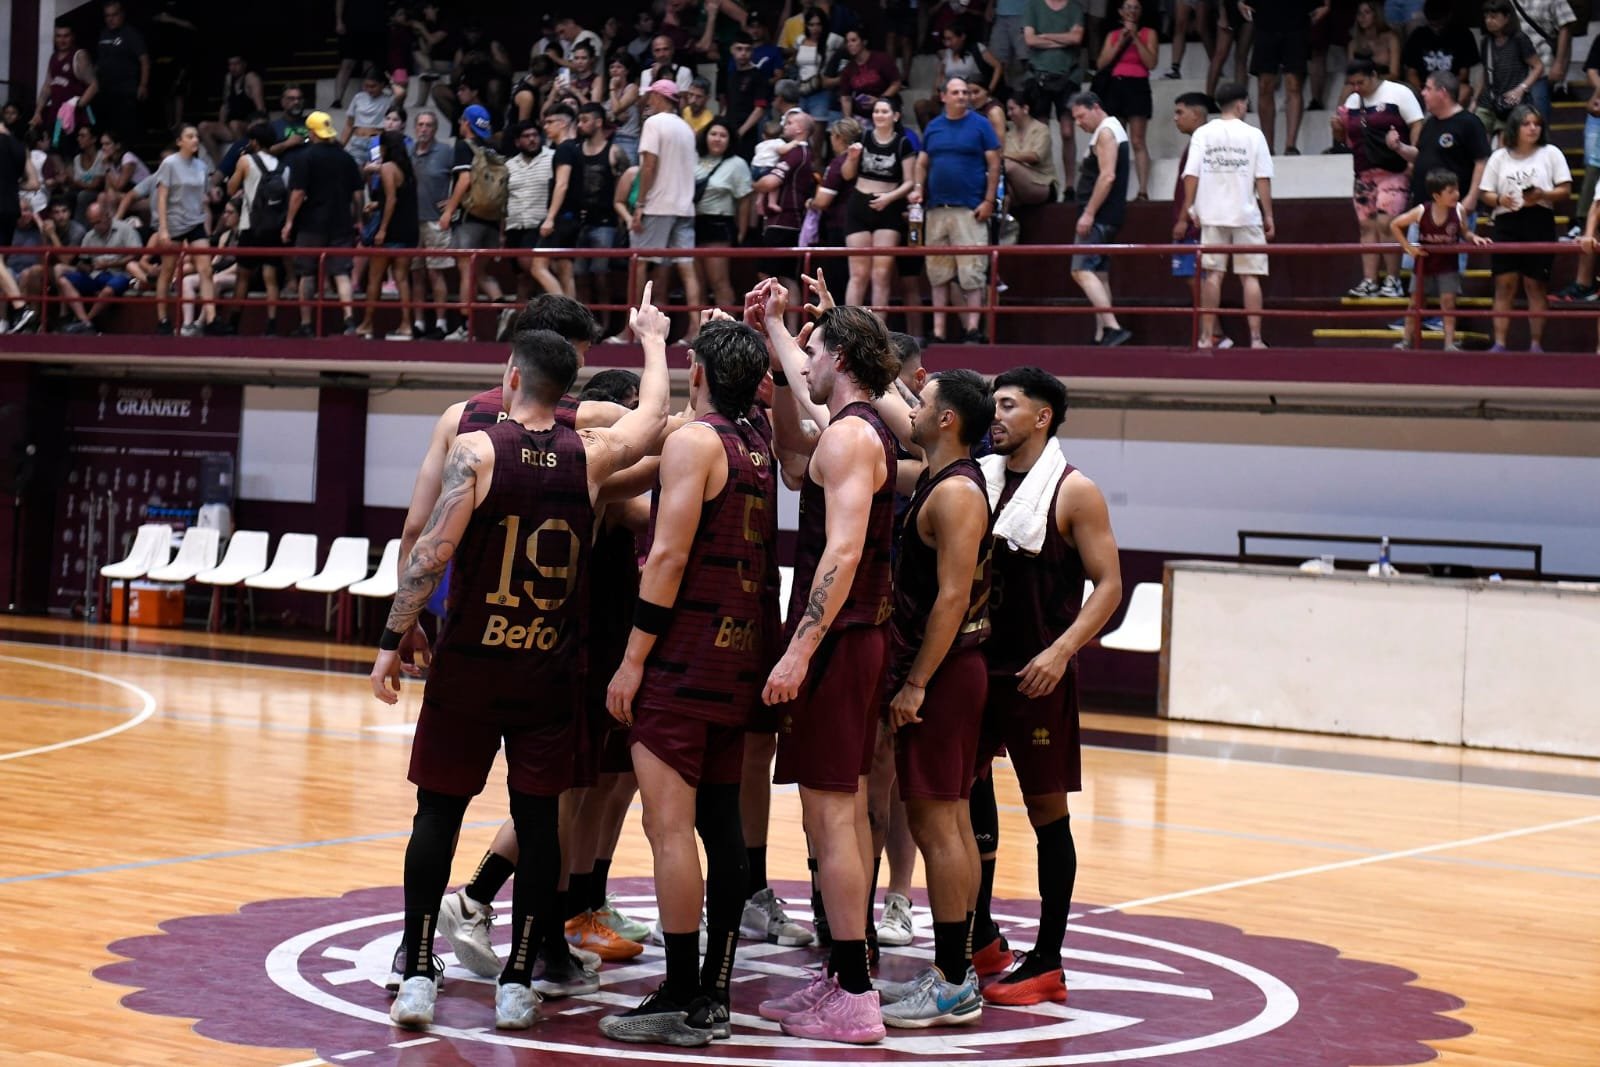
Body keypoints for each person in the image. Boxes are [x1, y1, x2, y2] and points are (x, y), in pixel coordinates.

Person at [373, 288, 670, 1033]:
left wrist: (390, 640)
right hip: (548, 664)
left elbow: (424, 543)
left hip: (471, 659)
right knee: (541, 822)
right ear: (568, 382)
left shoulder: (469, 440)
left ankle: (415, 971)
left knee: (436, 814)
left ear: (510, 373)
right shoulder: (591, 449)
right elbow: (653, 423)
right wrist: (656, 341)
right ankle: (518, 977)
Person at [599, 318, 775, 1047]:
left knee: (668, 828)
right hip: (736, 655)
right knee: (721, 827)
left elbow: (667, 555)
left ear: (697, 372)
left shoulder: (695, 442)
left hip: (682, 657)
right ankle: (716, 991)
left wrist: (633, 658)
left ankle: (679, 992)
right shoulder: (755, 443)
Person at [758, 292, 901, 1046]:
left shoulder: (849, 440)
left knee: (834, 815)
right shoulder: (856, 426)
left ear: (840, 359)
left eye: (814, 351)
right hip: (850, 639)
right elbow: (804, 388)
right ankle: (847, 969)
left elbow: (841, 554)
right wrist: (778, 328)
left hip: (840, 641)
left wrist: (799, 648)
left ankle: (854, 991)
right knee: (830, 815)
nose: (804, 364)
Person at [968, 366, 1120, 1007]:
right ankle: (981, 934)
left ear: (1043, 417)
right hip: (976, 667)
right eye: (992, 405)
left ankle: (1050, 960)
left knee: (1045, 814)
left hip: (1037, 674)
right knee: (966, 800)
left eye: (1007, 405)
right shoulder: (978, 477)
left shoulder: (1074, 490)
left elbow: (1108, 585)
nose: (994, 415)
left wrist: (1061, 652)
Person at [868, 369, 993, 1028]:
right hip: (948, 671)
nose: (912, 406)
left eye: (924, 401)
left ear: (947, 420)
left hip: (943, 674)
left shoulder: (955, 495)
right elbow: (895, 404)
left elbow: (951, 597)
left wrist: (916, 680)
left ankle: (951, 981)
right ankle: (957, 966)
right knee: (949, 819)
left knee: (936, 823)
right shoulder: (941, 477)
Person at [1175, 81, 1275, 349]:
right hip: (1246, 215)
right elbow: (1262, 178)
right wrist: (1269, 215)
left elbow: (1191, 175)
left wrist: (1190, 208)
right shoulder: (1254, 135)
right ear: (1242, 103)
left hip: (1212, 215)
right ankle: (1255, 339)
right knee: (1250, 277)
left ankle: (1207, 337)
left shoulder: (1203, 134)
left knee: (1213, 275)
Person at [913, 77, 1000, 344]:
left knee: (972, 272)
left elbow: (995, 164)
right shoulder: (934, 127)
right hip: (937, 208)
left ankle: (973, 329)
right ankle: (939, 331)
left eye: (965, 92)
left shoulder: (981, 125)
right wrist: (918, 189)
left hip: (970, 208)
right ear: (944, 97)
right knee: (938, 273)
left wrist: (988, 200)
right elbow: (923, 162)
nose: (962, 96)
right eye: (956, 92)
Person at [1480, 103, 1570, 352]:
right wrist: (1500, 200)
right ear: (1514, 127)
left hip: (1539, 220)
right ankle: (1499, 342)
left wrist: (1543, 194)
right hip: (1507, 220)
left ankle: (1536, 343)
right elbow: (1485, 192)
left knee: (1535, 284)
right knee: (1504, 283)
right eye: (1527, 124)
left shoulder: (1550, 152)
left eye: (1537, 124)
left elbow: (1565, 189)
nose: (1533, 129)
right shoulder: (1499, 156)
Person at [1335, 57, 1423, 299]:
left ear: (1374, 75)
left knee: (1387, 223)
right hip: (1363, 170)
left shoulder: (1398, 93)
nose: (1356, 88)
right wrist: (1338, 127)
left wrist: (1412, 158)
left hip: (1394, 169)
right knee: (1366, 225)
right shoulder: (1352, 101)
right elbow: (1346, 138)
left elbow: (1417, 124)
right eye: (1352, 83)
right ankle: (1369, 280)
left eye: (1360, 82)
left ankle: (1392, 279)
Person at [1387, 71, 1490, 274]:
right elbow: (1419, 155)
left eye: (1427, 88)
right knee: (1418, 268)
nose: (1423, 93)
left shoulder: (1469, 123)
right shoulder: (1430, 123)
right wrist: (1399, 147)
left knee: (1449, 273)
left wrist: (1471, 198)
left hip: (1454, 208)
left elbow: (1482, 161)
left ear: (1442, 92)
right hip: (1424, 209)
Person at [282, 110, 364, 337]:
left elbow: (298, 193)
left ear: (311, 132)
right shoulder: (346, 157)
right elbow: (358, 194)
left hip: (311, 224)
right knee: (341, 273)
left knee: (306, 273)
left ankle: (306, 325)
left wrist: (289, 222)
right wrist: (358, 220)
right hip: (341, 222)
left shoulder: (304, 157)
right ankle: (349, 322)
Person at [631, 80, 703, 334]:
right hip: (684, 207)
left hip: (658, 205)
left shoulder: (653, 123)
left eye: (650, 95)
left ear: (658, 96)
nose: (648, 100)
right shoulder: (685, 127)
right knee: (686, 268)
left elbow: (649, 166)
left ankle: (634, 330)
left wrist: (639, 204)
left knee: (639, 263)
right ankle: (694, 329)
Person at [1391, 169, 1491, 350]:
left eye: (1457, 190)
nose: (1457, 195)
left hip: (1448, 264)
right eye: (1451, 191)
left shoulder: (1459, 210)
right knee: (1415, 302)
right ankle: (1406, 341)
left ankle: (1449, 344)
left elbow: (1465, 232)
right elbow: (1395, 224)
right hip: (1425, 264)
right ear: (1437, 196)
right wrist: (1408, 247)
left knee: (1448, 303)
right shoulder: (1422, 210)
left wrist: (1473, 237)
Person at [438, 104, 508, 341]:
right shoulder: (493, 149)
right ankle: (503, 310)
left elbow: (465, 179)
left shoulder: (463, 145)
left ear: (467, 123)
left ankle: (465, 328)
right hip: (492, 219)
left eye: (461, 120)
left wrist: (448, 211)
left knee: (466, 272)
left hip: (469, 220)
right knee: (480, 272)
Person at [1068, 92, 1133, 347]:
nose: (1078, 123)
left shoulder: (1106, 132)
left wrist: (1089, 212)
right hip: (1106, 215)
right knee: (1099, 273)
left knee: (1081, 269)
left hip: (1100, 215)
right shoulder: (1109, 130)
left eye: (1081, 116)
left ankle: (1112, 327)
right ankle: (1102, 334)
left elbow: (1107, 177)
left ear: (1096, 108)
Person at [842, 97, 916, 309]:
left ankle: (878, 333)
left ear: (896, 116)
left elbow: (910, 181)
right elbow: (847, 175)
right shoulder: (863, 137)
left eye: (884, 111)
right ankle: (850, 329)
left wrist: (889, 198)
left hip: (889, 206)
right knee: (858, 273)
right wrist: (852, 157)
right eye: (876, 111)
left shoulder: (903, 143)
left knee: (881, 274)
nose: (879, 115)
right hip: (859, 204)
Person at [152, 123, 219, 336]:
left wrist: (213, 194)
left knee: (206, 269)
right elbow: (162, 196)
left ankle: (211, 318)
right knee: (168, 270)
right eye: (190, 136)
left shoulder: (201, 166)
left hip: (195, 221)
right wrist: (163, 228)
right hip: (173, 222)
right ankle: (162, 318)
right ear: (180, 141)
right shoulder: (169, 164)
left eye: (197, 136)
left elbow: (203, 194)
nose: (195, 140)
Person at [1239, 0, 1327, 156]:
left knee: (1294, 83)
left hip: (1296, 21)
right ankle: (1267, 146)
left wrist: (1326, 3)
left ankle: (1290, 145)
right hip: (1265, 20)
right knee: (1264, 85)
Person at [356, 129, 418, 339]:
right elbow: (400, 198)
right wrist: (377, 204)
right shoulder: (407, 168)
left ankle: (367, 323)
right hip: (408, 230)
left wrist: (382, 229)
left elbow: (391, 199)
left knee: (374, 279)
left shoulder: (387, 168)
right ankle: (406, 325)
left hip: (390, 231)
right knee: (402, 279)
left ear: (383, 147)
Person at [226, 122, 286, 333]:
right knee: (271, 278)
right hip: (273, 228)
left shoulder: (246, 160)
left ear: (254, 142)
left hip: (250, 225)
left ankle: (234, 322)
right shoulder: (281, 165)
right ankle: (271, 325)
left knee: (243, 275)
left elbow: (231, 189)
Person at [1023, 0, 1086, 193]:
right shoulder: (1033, 6)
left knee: (1067, 131)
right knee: (1041, 132)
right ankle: (1044, 181)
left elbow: (1076, 38)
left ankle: (1069, 185)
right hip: (1039, 74)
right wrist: (1063, 39)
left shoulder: (1074, 9)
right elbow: (1030, 40)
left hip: (1067, 75)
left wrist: (1046, 37)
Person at [1096, 0, 1156, 200]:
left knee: (1138, 140)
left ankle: (1143, 190)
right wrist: (1121, 40)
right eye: (1128, 7)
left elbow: (1151, 62)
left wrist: (1136, 38)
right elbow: (1101, 63)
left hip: (1137, 86)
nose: (1131, 11)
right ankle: (1113, 189)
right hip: (1116, 86)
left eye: (1136, 7)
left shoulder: (1149, 33)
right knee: (1117, 140)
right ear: (1120, 12)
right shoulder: (1113, 35)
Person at [694, 119, 755, 310]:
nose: (717, 139)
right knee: (698, 284)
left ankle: (729, 334)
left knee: (719, 281)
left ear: (730, 140)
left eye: (723, 135)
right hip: (692, 224)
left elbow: (745, 200)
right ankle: (698, 332)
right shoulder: (694, 159)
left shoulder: (737, 164)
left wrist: (741, 232)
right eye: (713, 134)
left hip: (719, 225)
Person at [56, 200, 139, 333]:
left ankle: (86, 322)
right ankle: (85, 322)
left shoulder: (125, 229)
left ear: (107, 216)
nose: (96, 226)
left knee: (108, 290)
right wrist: (85, 267)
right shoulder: (89, 236)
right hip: (95, 276)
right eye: (92, 223)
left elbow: (136, 255)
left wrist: (110, 264)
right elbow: (82, 261)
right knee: (63, 280)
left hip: (120, 274)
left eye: (98, 222)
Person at [408, 111, 453, 339]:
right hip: (410, 222)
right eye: (420, 124)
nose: (424, 129)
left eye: (428, 125)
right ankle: (417, 323)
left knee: (435, 273)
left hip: (436, 220)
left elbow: (466, 178)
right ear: (415, 128)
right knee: (416, 274)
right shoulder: (408, 152)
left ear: (435, 129)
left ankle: (441, 324)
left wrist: (454, 201)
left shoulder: (446, 152)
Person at [1475, 0, 1542, 145]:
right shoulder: (1486, 41)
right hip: (1488, 100)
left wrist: (1521, 89)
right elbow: (1485, 72)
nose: (1489, 21)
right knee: (1479, 142)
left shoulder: (1519, 39)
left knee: (1504, 145)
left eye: (1493, 17)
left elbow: (1538, 66)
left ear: (1506, 17)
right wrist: (1475, 99)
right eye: (1486, 17)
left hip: (1510, 101)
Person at [536, 106, 582, 300]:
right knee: (565, 270)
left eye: (549, 122)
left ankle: (564, 314)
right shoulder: (576, 148)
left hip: (561, 218)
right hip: (572, 218)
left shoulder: (563, 149)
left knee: (537, 266)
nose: (545, 127)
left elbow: (562, 184)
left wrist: (550, 218)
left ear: (562, 123)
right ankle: (574, 324)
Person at [1507, 0, 1577, 121]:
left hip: (1541, 64)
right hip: (1512, 66)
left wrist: (1559, 63)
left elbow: (1565, 28)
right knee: (1513, 119)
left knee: (1538, 116)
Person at [1402, 0, 1480, 104]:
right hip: (1424, 87)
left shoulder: (1463, 35)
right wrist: (1424, 90)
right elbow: (1411, 73)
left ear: (1448, 16)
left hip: (1452, 87)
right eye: (1432, 25)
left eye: (1440, 24)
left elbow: (1463, 74)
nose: (1437, 29)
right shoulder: (1418, 36)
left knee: (1465, 90)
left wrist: (1443, 90)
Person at [34, 23, 99, 147]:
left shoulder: (79, 56)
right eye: (58, 36)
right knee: (54, 154)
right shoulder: (53, 57)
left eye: (66, 36)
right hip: (55, 116)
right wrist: (38, 111)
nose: (62, 40)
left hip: (73, 119)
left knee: (70, 157)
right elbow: (47, 86)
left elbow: (94, 85)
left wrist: (78, 105)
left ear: (72, 37)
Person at [94, 1, 148, 142]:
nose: (111, 19)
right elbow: (99, 62)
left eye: (114, 15)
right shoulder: (103, 34)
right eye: (107, 16)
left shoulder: (131, 34)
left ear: (122, 15)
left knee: (125, 132)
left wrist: (143, 85)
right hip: (106, 91)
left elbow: (144, 60)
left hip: (126, 92)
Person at [200, 56, 266, 165]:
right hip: (231, 125)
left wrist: (258, 126)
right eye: (230, 65)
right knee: (203, 126)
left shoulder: (251, 78)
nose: (233, 68)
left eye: (236, 64)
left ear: (244, 65)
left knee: (234, 124)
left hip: (249, 125)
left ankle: (245, 161)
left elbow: (260, 108)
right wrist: (220, 124)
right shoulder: (229, 79)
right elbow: (225, 105)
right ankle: (220, 166)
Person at [1004, 92, 1058, 208]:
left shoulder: (1041, 129)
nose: (1009, 114)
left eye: (1012, 109)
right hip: (1018, 186)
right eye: (1008, 110)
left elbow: (1035, 157)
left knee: (1009, 166)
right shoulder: (1009, 135)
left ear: (1025, 108)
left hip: (1043, 183)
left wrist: (1005, 155)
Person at [722, 34, 773, 159]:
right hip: (729, 131)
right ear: (732, 50)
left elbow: (760, 109)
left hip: (747, 134)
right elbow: (728, 105)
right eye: (739, 49)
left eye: (747, 49)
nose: (743, 53)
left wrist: (741, 132)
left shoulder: (758, 76)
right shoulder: (731, 75)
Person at [793, 10, 844, 120]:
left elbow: (846, 55)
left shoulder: (833, 39)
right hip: (802, 89)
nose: (815, 28)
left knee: (817, 131)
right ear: (806, 25)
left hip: (822, 90)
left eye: (818, 24)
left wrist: (837, 78)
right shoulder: (800, 40)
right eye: (811, 25)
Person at [1348, 1, 1402, 80]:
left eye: (1367, 12)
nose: (1362, 17)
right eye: (1359, 13)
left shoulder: (1391, 39)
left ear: (1376, 14)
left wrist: (1372, 82)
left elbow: (1394, 74)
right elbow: (1350, 73)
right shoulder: (1353, 44)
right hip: (1360, 86)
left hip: (1385, 84)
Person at [607, 53, 644, 163]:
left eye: (619, 67)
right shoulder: (607, 91)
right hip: (609, 138)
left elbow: (616, 109)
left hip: (628, 139)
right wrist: (613, 118)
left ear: (627, 71)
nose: (614, 70)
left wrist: (612, 88)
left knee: (627, 174)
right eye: (612, 67)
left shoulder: (631, 88)